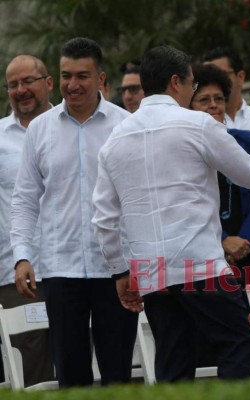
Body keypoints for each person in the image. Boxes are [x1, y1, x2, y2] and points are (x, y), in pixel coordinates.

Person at [91, 45, 250, 382]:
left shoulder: (115, 138)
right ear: (176, 82)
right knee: (239, 344)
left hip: (151, 270)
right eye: (191, 85)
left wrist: (119, 270)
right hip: (198, 263)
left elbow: (104, 217)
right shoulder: (197, 124)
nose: (192, 92)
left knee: (173, 359)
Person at [10, 37, 138, 387]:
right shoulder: (40, 129)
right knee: (70, 376)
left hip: (116, 269)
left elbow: (139, 199)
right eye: (66, 75)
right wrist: (22, 256)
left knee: (117, 375)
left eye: (82, 75)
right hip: (60, 268)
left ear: (101, 79)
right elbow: (25, 199)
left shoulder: (125, 126)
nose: (72, 85)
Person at [190, 63, 250, 289]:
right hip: (208, 256)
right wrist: (224, 240)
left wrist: (244, 241)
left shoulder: (247, 141)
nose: (214, 105)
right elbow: (187, 202)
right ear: (189, 106)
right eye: (204, 100)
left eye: (219, 98)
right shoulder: (183, 149)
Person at [0, 54, 54, 387]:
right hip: (18, 274)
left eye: (28, 81)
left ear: (49, 83)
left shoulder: (73, 127)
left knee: (81, 361)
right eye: (13, 84)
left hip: (77, 268)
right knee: (31, 367)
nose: (21, 90)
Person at [202, 46, 250, 134]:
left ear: (240, 77)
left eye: (220, 75)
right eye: (207, 77)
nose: (213, 83)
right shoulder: (199, 127)